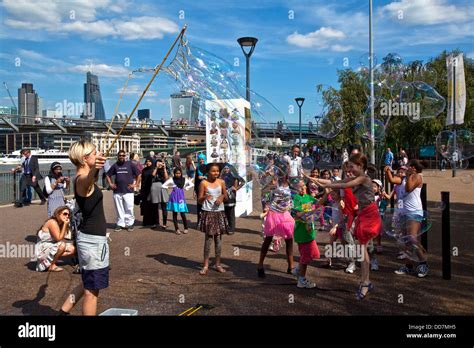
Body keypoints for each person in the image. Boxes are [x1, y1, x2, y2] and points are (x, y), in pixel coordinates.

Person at [306, 153, 382, 299]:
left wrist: (327, 184)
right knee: (362, 250)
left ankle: (365, 282)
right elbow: (335, 181)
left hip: (369, 216)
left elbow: (343, 184)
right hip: (363, 214)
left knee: (362, 250)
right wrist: (314, 179)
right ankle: (365, 281)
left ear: (360, 166)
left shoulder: (363, 178)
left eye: (352, 166)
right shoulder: (355, 178)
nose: (350, 169)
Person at [59, 139, 108, 316]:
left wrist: (95, 168)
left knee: (87, 283)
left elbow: (90, 178)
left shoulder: (82, 178)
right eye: (94, 153)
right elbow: (87, 180)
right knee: (92, 291)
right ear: (84, 158)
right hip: (93, 242)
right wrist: (95, 168)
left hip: (90, 239)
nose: (97, 155)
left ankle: (62, 312)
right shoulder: (81, 180)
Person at [385, 159, 428, 278]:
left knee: (413, 239)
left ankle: (423, 263)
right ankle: (408, 266)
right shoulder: (404, 179)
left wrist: (409, 175)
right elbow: (392, 180)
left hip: (414, 212)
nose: (406, 168)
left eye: (409, 166)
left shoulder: (418, 177)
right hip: (403, 212)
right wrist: (387, 170)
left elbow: (409, 188)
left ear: (413, 168)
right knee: (405, 240)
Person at [257, 174, 296, 278]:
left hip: (286, 214)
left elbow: (293, 200)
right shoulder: (273, 185)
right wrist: (266, 205)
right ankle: (260, 265)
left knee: (289, 239)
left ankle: (291, 267)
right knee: (268, 239)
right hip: (274, 214)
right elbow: (264, 195)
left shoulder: (291, 186)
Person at [197, 163, 229, 275]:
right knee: (209, 239)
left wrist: (221, 197)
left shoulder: (222, 182)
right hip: (208, 212)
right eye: (213, 171)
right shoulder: (203, 183)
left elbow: (226, 196)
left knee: (218, 240)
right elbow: (199, 200)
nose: (216, 173)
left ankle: (218, 264)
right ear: (208, 172)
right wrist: (205, 197)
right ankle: (205, 265)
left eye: (217, 171)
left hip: (219, 212)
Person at [292, 181, 320, 288]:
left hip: (309, 231)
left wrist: (327, 192)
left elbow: (319, 203)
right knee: (306, 256)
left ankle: (298, 270)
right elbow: (298, 214)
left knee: (313, 254)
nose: (302, 188)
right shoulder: (296, 199)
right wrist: (309, 209)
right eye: (299, 187)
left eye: (303, 185)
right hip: (302, 232)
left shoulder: (308, 197)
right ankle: (301, 280)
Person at [106, 150, 140, 232]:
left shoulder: (130, 164)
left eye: (123, 155)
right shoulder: (115, 165)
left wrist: (136, 185)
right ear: (117, 156)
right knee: (119, 208)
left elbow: (139, 174)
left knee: (129, 208)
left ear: (125, 156)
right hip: (117, 191)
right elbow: (107, 175)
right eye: (120, 155)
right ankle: (120, 224)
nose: (121, 157)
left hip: (128, 190)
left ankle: (130, 224)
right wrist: (110, 184)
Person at [35, 205, 75, 272]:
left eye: (68, 214)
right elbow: (59, 238)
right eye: (65, 214)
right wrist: (65, 224)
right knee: (62, 245)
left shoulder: (60, 223)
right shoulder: (52, 222)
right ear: (58, 213)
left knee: (72, 249)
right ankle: (52, 265)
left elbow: (65, 237)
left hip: (51, 245)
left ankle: (49, 261)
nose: (67, 216)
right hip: (43, 247)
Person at [163, 168, 193, 235]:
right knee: (175, 214)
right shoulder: (172, 179)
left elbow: (191, 184)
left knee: (183, 214)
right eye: (176, 173)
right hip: (174, 198)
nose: (178, 175)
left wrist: (186, 188)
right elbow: (163, 185)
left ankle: (186, 228)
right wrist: (170, 187)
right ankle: (177, 229)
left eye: (179, 173)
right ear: (174, 173)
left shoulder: (184, 179)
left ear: (181, 173)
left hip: (181, 198)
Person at [221, 165, 245, 234]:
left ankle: (231, 228)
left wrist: (236, 188)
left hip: (231, 196)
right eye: (225, 168)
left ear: (230, 169)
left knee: (231, 212)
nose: (226, 169)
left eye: (227, 168)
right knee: (225, 212)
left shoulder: (234, 175)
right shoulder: (221, 176)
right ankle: (226, 227)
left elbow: (243, 182)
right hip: (224, 195)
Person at [150, 158, 170, 229]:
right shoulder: (153, 169)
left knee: (164, 206)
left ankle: (164, 223)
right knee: (154, 207)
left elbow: (167, 178)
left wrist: (164, 168)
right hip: (154, 188)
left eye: (160, 163)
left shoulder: (165, 169)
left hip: (163, 188)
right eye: (158, 163)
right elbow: (152, 176)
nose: (159, 164)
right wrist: (156, 167)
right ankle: (155, 223)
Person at [140, 157, 158, 228]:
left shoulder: (154, 169)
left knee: (153, 206)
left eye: (149, 161)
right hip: (145, 189)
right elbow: (142, 180)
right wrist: (141, 189)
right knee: (146, 205)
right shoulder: (144, 170)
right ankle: (146, 221)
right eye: (147, 161)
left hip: (152, 189)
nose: (148, 162)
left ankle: (154, 222)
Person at [194, 154, 207, 224]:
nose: (201, 161)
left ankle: (206, 221)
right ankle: (199, 222)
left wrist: (203, 177)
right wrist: (195, 190)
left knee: (206, 205)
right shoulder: (197, 168)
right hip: (199, 189)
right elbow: (196, 180)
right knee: (199, 205)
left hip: (207, 189)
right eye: (200, 160)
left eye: (202, 159)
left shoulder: (208, 167)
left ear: (205, 159)